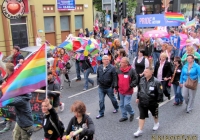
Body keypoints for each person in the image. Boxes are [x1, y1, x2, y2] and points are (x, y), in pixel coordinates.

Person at [0, 63, 33, 139]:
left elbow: (6, 101)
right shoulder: (20, 93)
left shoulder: (22, 99)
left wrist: (2, 89)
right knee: (15, 137)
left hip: (26, 125)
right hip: (19, 122)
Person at [133, 67, 163, 137]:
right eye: (144, 72)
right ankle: (140, 130)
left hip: (152, 102)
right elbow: (139, 89)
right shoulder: (142, 80)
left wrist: (158, 101)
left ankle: (156, 123)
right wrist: (138, 97)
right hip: (142, 101)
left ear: (151, 73)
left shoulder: (157, 82)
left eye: (146, 72)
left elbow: (160, 92)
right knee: (142, 115)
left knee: (154, 114)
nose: (144, 73)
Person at [115, 57, 137, 122]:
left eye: (122, 62)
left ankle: (132, 113)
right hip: (121, 91)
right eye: (121, 62)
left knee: (126, 104)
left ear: (126, 63)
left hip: (128, 91)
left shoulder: (132, 70)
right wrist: (116, 88)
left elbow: (135, 80)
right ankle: (124, 116)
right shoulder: (119, 70)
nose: (121, 63)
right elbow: (116, 79)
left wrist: (130, 86)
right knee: (121, 104)